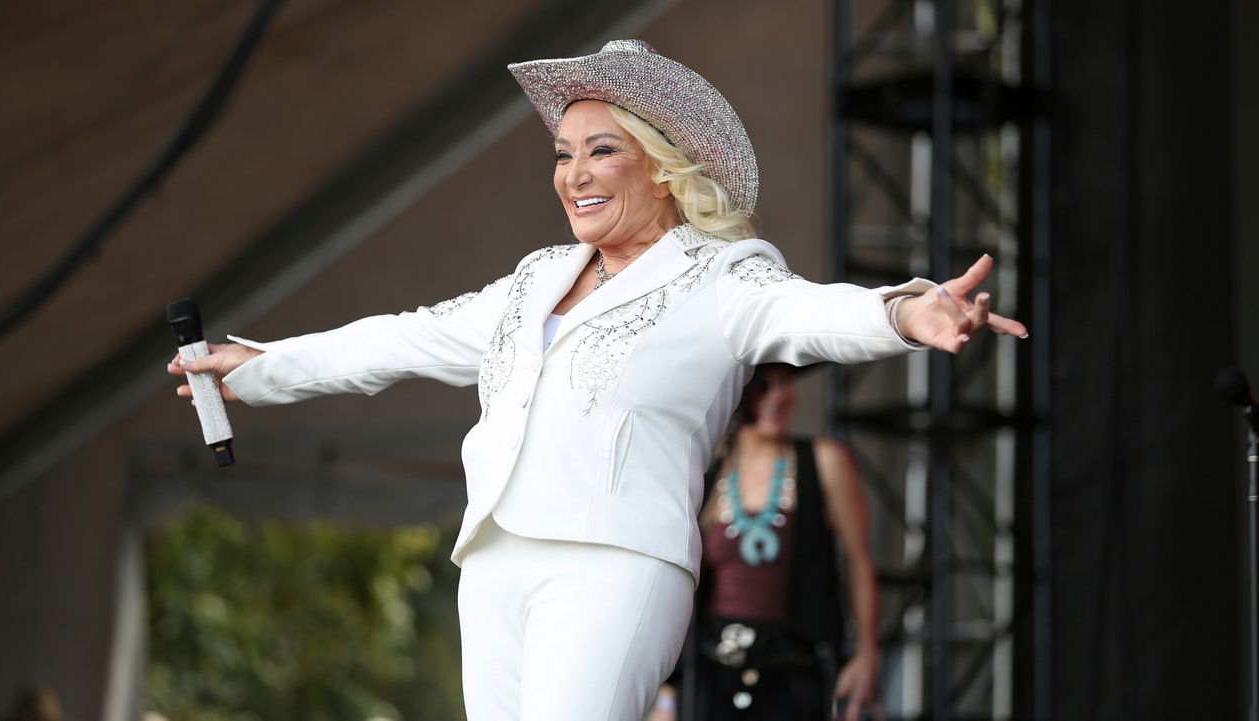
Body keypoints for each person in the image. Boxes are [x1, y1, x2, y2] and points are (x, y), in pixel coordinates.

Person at [167, 39, 1027, 721]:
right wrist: (264, 368)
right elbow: (406, 338)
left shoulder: (723, 277)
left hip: (615, 564)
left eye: (600, 150)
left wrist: (908, 311)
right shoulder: (535, 277)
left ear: (662, 164)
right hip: (495, 558)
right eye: (563, 152)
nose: (573, 174)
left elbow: (812, 313)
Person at [652, 364, 882, 721]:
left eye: (785, 382)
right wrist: (668, 693)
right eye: (764, 384)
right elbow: (676, 587)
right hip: (713, 675)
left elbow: (858, 560)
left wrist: (867, 653)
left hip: (794, 674)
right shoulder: (707, 474)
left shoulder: (823, 461)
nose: (777, 395)